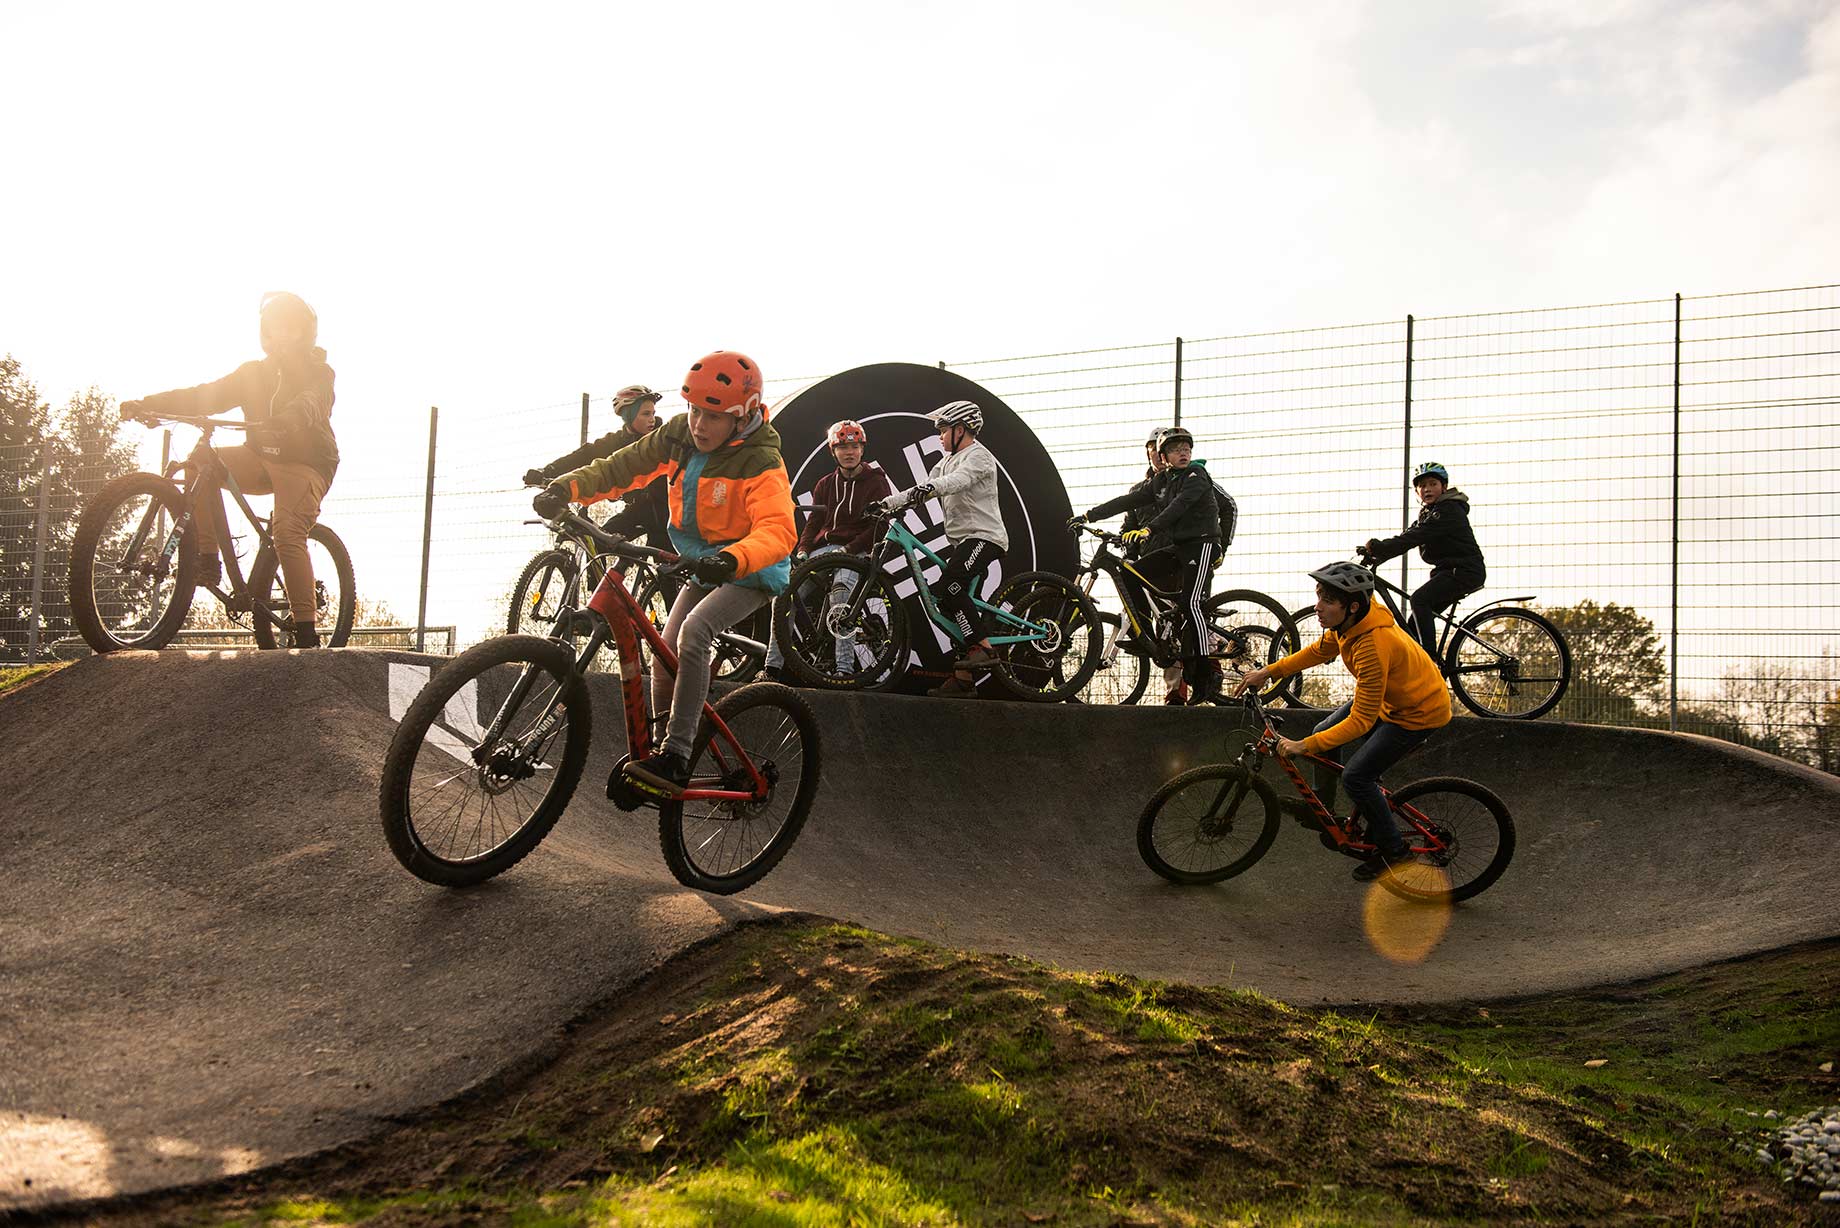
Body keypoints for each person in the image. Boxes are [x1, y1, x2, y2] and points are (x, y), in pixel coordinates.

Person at [532, 351, 795, 796]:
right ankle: (654, 757)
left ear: (743, 415)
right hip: (703, 560)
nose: (698, 424)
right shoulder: (677, 436)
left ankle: (676, 753)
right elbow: (624, 466)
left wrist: (732, 560)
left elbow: (777, 530)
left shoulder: (761, 461)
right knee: (664, 651)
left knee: (695, 631)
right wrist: (567, 487)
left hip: (753, 568)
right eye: (693, 410)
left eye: (712, 416)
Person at [119, 291, 338, 648]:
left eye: (290, 329)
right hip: (259, 457)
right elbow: (204, 394)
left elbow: (313, 403)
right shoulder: (252, 373)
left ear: (304, 332)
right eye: (275, 328)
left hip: (306, 463)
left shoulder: (319, 372)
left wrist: (287, 420)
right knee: (200, 462)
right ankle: (207, 557)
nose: (282, 335)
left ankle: (307, 632)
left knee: (286, 533)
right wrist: (149, 405)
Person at [1234, 561, 1452, 882]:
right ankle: (1323, 809)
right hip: (1394, 700)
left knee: (1357, 778)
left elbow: (1361, 721)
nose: (1317, 606)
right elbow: (1318, 651)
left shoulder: (1373, 646)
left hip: (1418, 714)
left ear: (1351, 606)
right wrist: (1267, 672)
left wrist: (1301, 746)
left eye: (1326, 601)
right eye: (1318, 595)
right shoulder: (1351, 623)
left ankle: (1395, 852)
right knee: (1324, 731)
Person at [1068, 426, 1224, 704]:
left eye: (1187, 448)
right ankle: (1146, 637)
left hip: (1201, 545)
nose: (1183, 453)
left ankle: (1204, 672)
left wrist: (1149, 530)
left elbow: (1179, 506)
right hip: (1178, 547)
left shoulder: (1196, 475)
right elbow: (1129, 500)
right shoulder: (1162, 481)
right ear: (1164, 456)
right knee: (1130, 574)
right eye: (1176, 449)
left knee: (1190, 604)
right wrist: (1089, 515)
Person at [876, 400, 1007, 699]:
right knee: (950, 601)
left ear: (961, 430)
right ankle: (963, 681)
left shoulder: (979, 457)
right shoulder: (946, 460)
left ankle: (983, 650)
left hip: (984, 537)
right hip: (964, 541)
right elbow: (926, 485)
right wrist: (887, 504)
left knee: (948, 585)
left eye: (944, 430)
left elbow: (955, 482)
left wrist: (929, 490)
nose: (940, 436)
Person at [763, 419, 893, 683]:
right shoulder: (824, 484)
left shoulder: (876, 482)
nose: (850, 452)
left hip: (857, 552)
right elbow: (814, 524)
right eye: (843, 447)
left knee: (841, 599)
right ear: (833, 452)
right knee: (784, 596)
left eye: (855, 446)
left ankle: (843, 670)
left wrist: (849, 548)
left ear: (862, 449)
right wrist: (803, 549)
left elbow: (879, 528)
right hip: (824, 551)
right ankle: (771, 668)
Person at [1361, 461, 1485, 664]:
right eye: (1422, 486)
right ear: (1417, 491)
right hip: (1450, 571)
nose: (1427, 489)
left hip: (1463, 571)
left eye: (1433, 484)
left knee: (1419, 600)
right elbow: (1407, 537)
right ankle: (1420, 666)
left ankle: (1429, 662)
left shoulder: (1448, 510)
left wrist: (1379, 547)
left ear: (1443, 487)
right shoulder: (1429, 513)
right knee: (1413, 623)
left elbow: (1415, 537)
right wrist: (1379, 555)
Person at [522, 385, 668, 547]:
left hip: (666, 512)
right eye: (646, 414)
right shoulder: (617, 441)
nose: (652, 419)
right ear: (629, 417)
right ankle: (609, 572)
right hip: (637, 509)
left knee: (666, 563)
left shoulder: (662, 439)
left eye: (653, 413)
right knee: (602, 542)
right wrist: (548, 470)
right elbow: (585, 454)